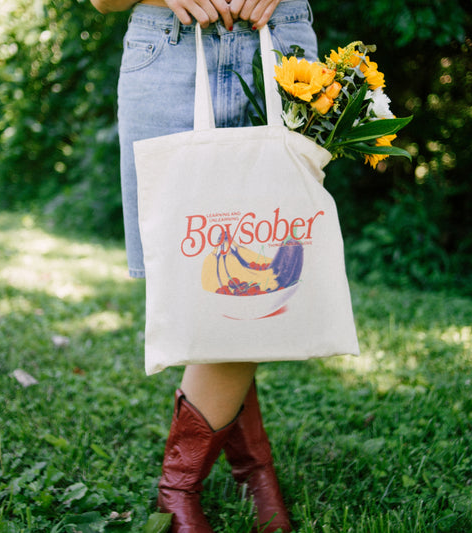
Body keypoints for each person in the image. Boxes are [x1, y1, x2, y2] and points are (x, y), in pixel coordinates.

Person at [89, 0, 318, 530]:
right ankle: (253, 473)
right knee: (206, 281)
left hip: (279, 49)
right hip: (167, 51)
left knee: (259, 277)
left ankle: (180, 490)